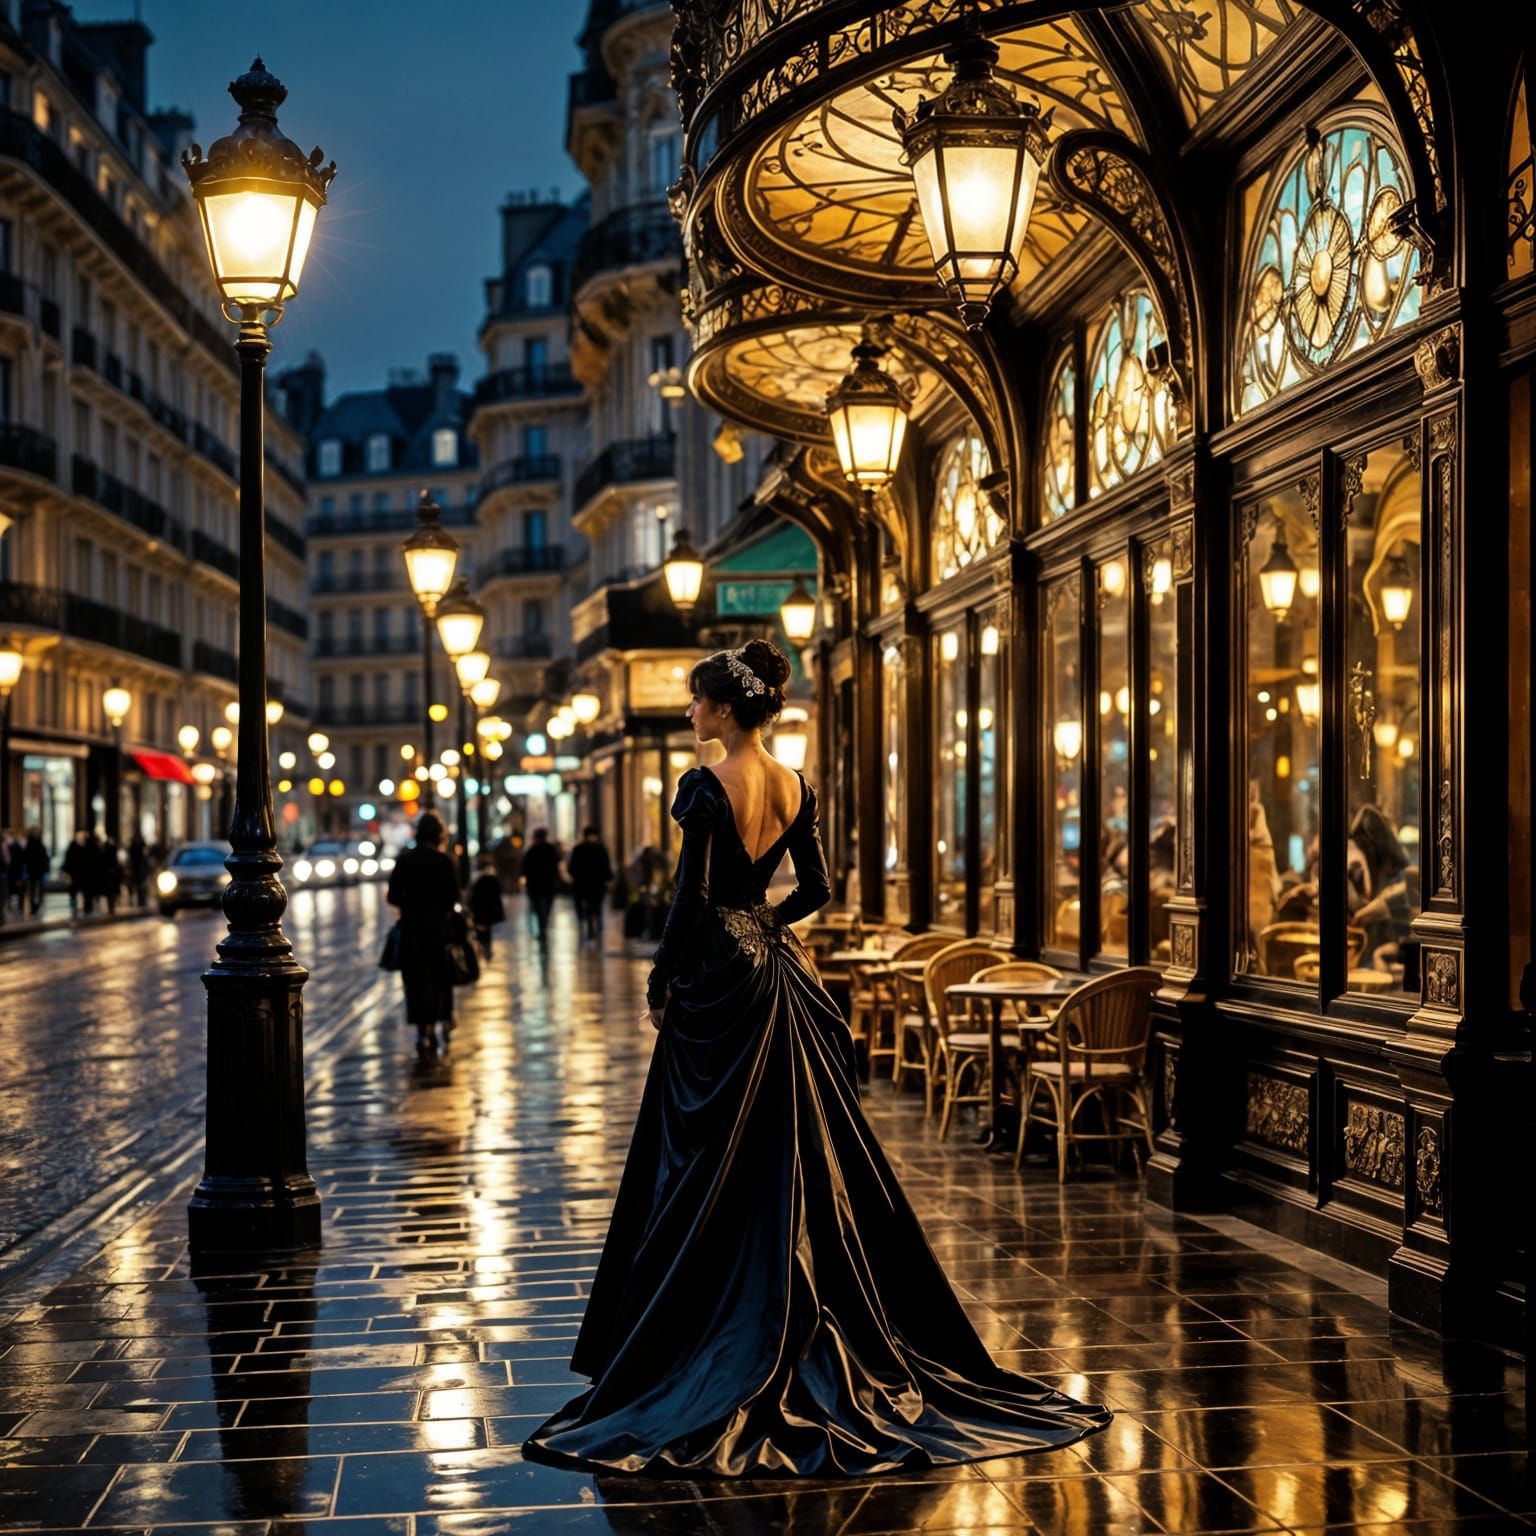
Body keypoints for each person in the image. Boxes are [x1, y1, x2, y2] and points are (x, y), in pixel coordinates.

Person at [524, 639, 1110, 1477]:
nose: (691, 714)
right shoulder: (794, 783)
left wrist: (663, 975)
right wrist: (766, 922)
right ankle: (794, 1298)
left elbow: (691, 900)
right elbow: (817, 888)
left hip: (719, 982)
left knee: (706, 1154)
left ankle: (716, 1323)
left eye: (697, 702)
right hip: (775, 969)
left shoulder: (705, 786)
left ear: (725, 710)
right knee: (789, 1138)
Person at [385, 811, 462, 1056]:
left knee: (416, 981)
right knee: (440, 978)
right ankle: (441, 1021)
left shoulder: (405, 860)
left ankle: (423, 1030)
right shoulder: (444, 861)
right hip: (438, 930)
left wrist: (410, 905)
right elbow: (453, 898)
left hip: (412, 930)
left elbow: (393, 896)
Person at [567, 826, 613, 945]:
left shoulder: (578, 849)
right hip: (597, 884)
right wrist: (607, 878)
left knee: (585, 905)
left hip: (582, 884)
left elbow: (571, 868)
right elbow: (606, 866)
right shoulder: (600, 849)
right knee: (596, 905)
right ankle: (597, 923)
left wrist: (575, 876)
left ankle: (588, 924)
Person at [520, 827, 560, 946]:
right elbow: (556, 864)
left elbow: (525, 867)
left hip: (535, 883)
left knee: (537, 907)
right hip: (548, 882)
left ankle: (542, 927)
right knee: (547, 906)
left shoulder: (532, 850)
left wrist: (524, 878)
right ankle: (544, 925)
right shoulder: (551, 849)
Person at [468, 854, 506, 959]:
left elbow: (472, 895)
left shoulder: (477, 879)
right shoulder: (492, 877)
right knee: (486, 930)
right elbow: (498, 892)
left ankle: (483, 950)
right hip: (489, 909)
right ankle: (486, 950)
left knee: (481, 930)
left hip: (479, 908)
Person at [23, 829, 47, 916]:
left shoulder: (30, 845)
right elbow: (44, 858)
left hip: (33, 871)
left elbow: (25, 858)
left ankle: (34, 907)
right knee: (38, 889)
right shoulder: (39, 845)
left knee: (33, 889)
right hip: (37, 871)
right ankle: (36, 906)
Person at [127, 833, 150, 908]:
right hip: (135, 869)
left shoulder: (141, 847)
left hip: (140, 869)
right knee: (134, 886)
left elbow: (145, 858)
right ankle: (135, 900)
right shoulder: (132, 848)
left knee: (141, 886)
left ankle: (142, 901)